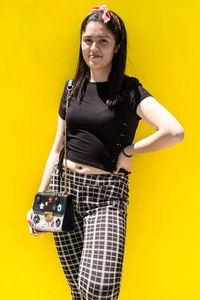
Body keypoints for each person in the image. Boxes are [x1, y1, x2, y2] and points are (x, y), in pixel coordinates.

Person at [27, 4, 184, 300]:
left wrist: (129, 150)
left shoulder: (130, 91)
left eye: (103, 41)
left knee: (99, 288)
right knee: (77, 289)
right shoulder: (72, 87)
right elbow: (58, 146)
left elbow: (174, 131)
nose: (94, 48)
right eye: (88, 40)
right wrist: (40, 199)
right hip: (64, 193)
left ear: (116, 47)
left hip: (106, 199)